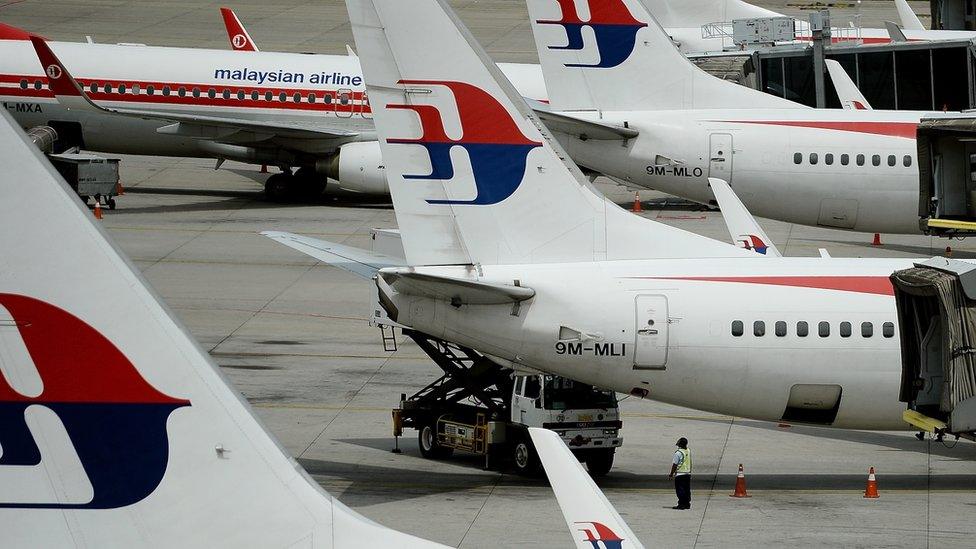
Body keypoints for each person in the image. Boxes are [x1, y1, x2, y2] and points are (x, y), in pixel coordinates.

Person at [668, 437, 691, 509]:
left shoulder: (678, 453)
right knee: (687, 489)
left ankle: (681, 504)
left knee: (680, 490)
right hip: (687, 473)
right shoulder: (688, 451)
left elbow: (675, 464)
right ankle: (687, 504)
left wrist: (671, 474)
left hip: (680, 474)